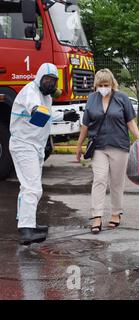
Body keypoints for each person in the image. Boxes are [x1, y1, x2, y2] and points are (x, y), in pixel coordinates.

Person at [10, 63, 80, 245]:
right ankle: (26, 230)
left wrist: (64, 116)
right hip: (24, 145)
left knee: (27, 188)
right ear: (39, 78)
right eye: (47, 80)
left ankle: (28, 223)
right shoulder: (31, 91)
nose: (50, 84)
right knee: (33, 188)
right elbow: (36, 111)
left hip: (35, 146)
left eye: (53, 81)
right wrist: (37, 111)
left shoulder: (45, 96)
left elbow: (45, 115)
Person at [76, 69, 139, 234]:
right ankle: (96, 216)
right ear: (96, 85)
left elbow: (130, 121)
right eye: (100, 85)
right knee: (99, 179)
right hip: (99, 146)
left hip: (119, 146)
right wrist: (79, 146)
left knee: (116, 182)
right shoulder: (92, 99)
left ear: (112, 84)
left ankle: (116, 212)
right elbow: (86, 125)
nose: (103, 88)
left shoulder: (122, 98)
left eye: (106, 85)